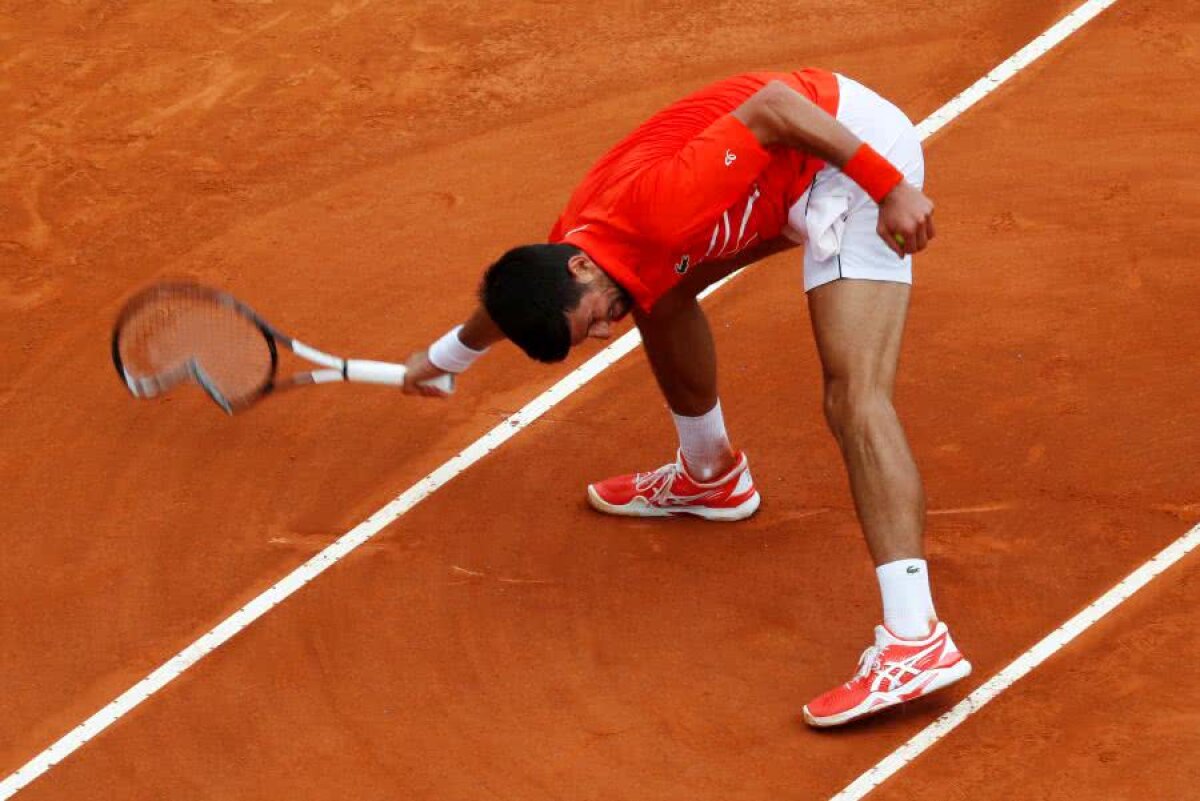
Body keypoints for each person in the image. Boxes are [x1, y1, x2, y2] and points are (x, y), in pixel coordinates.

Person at [401, 68, 971, 727]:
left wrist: (889, 186)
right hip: (776, 179)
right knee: (652, 292)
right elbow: (514, 303)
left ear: (576, 265)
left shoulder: (656, 208)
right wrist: (446, 358)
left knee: (855, 398)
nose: (607, 329)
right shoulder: (575, 250)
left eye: (592, 318)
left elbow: (777, 107)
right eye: (592, 333)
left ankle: (914, 639)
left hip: (845, 159)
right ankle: (711, 477)